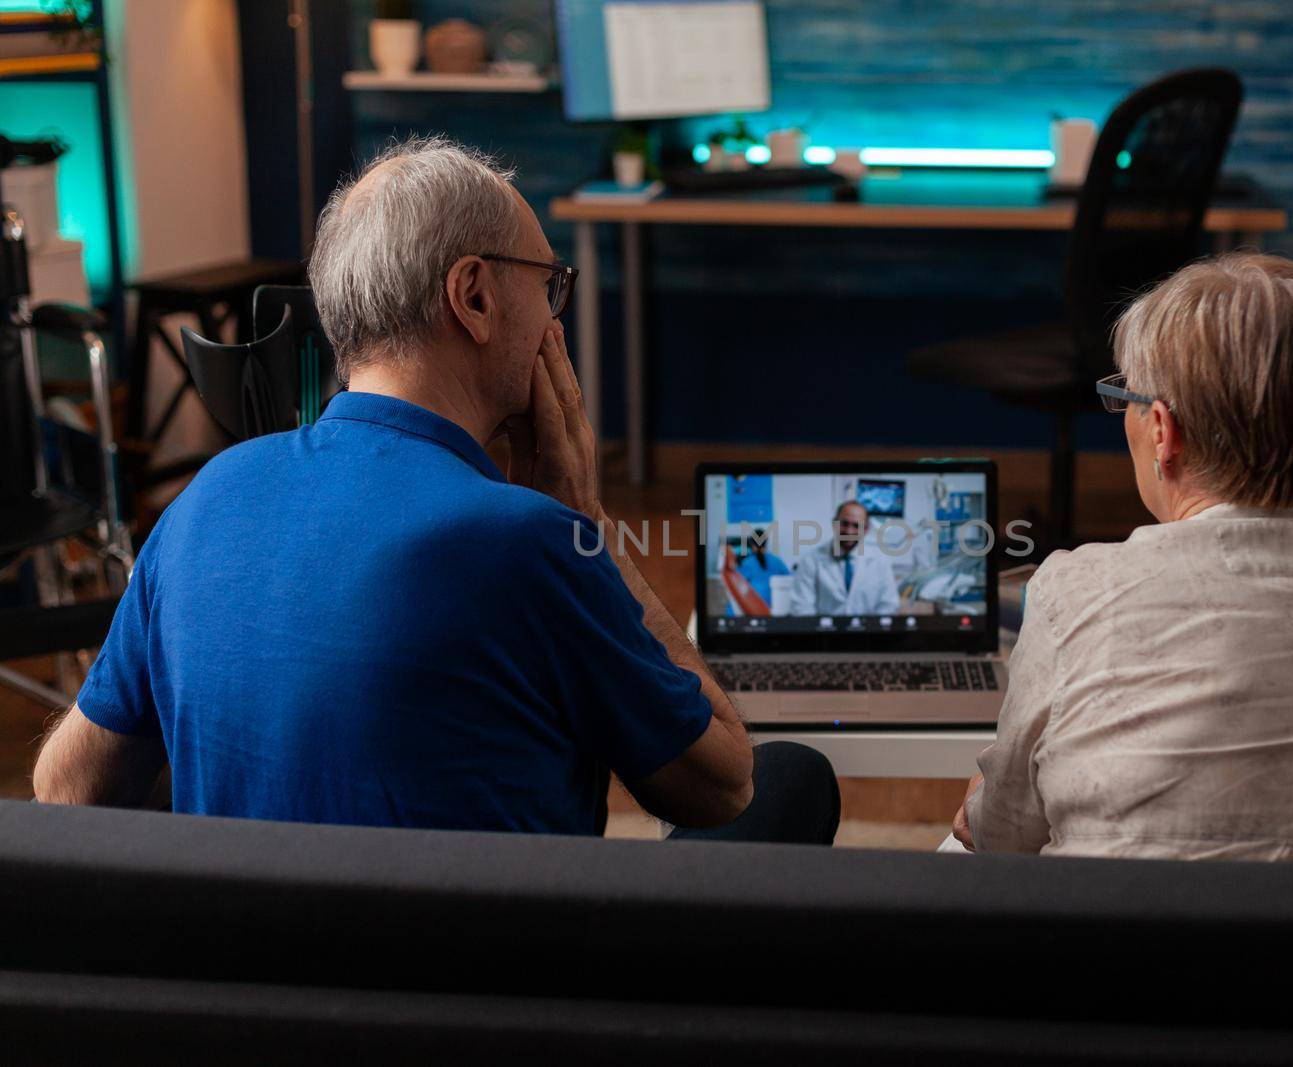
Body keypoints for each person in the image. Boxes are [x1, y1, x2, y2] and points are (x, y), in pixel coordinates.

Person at [31, 137, 838, 846]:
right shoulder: (527, 539)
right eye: (549, 285)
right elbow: (724, 784)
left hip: (252, 1000)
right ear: (475, 295)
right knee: (792, 777)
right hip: (483, 1010)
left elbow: (67, 786)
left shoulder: (207, 494)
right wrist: (583, 522)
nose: (555, 323)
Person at [951, 252, 1293, 861]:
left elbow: (1003, 836)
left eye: (1126, 400)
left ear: (1163, 431)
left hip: (1126, 941)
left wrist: (984, 803)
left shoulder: (1071, 591)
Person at [789, 501, 901, 617]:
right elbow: (801, 607)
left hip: (868, 633)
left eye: (856, 526)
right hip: (823, 632)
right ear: (834, 523)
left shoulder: (880, 561)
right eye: (844, 524)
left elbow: (888, 605)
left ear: (866, 529)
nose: (849, 531)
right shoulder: (811, 560)